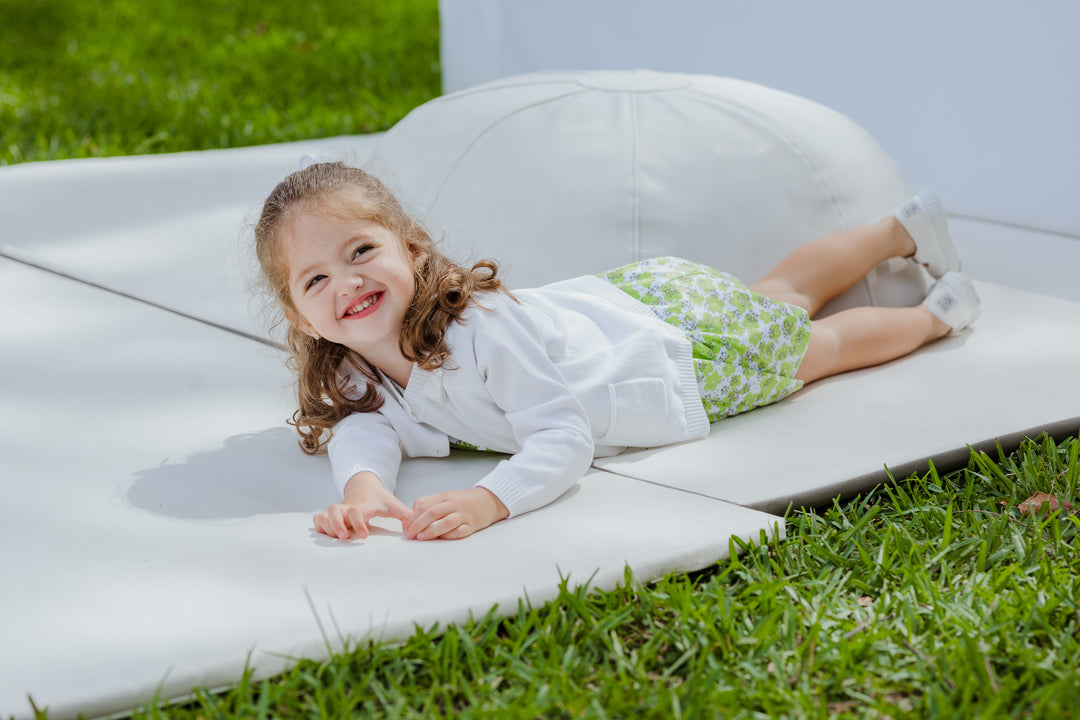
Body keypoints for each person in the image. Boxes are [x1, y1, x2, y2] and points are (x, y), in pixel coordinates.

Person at [254, 161, 980, 543]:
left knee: (813, 348)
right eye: (317, 278)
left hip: (671, 356)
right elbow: (363, 425)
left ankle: (934, 317)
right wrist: (362, 486)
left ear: (412, 250)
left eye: (361, 251)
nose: (346, 282)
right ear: (301, 315)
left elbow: (562, 436)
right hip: (636, 308)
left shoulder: (479, 330)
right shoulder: (357, 366)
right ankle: (900, 229)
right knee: (779, 294)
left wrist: (489, 500)